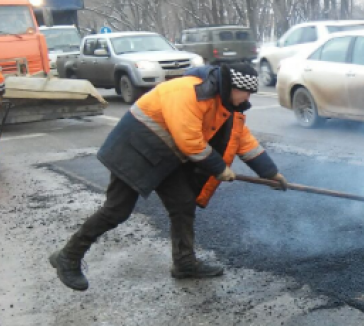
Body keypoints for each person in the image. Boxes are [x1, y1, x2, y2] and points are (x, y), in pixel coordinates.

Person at [49, 62, 287, 291]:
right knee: (116, 211)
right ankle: (68, 256)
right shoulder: (189, 92)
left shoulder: (226, 105)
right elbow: (190, 142)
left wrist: (271, 173)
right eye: (246, 93)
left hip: (166, 155)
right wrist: (218, 168)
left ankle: (185, 263)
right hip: (134, 149)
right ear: (232, 87)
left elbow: (243, 141)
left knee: (183, 204)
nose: (248, 100)